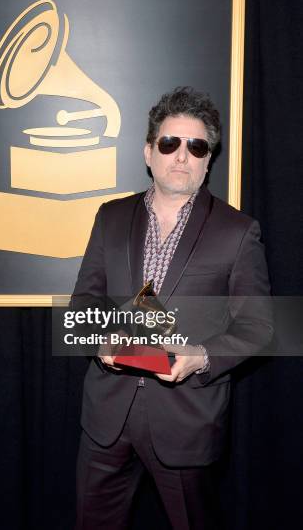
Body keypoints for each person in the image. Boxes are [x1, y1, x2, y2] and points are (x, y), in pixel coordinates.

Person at [71, 87, 273, 530]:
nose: (181, 156)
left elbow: (259, 325)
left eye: (196, 146)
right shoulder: (110, 217)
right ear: (149, 152)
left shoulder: (237, 231)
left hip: (188, 421)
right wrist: (101, 342)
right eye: (169, 143)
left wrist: (202, 356)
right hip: (106, 417)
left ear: (207, 159)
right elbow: (83, 303)